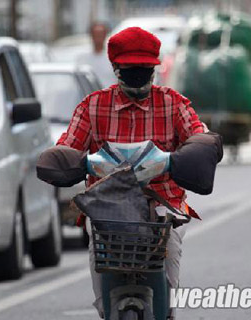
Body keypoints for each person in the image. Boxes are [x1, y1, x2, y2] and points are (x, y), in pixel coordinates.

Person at [57, 27, 209, 318]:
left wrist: (184, 156)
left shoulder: (173, 103)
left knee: (169, 277)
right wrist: (80, 161)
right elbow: (67, 146)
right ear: (115, 68)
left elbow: (197, 135)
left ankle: (166, 311)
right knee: (102, 290)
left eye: (145, 68)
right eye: (130, 68)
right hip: (106, 213)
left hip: (163, 209)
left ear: (154, 69)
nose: (138, 74)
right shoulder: (92, 106)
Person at [76, 22, 117, 87]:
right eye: (95, 35)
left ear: (105, 35)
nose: (98, 38)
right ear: (91, 36)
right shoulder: (82, 58)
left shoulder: (114, 57)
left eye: (100, 34)